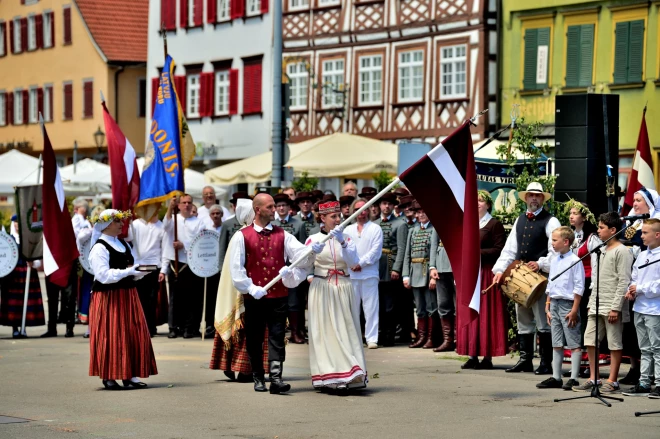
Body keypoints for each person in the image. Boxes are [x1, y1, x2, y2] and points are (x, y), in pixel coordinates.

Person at [229, 193, 321, 394]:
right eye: (270, 207)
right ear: (258, 209)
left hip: (278, 295)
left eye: (273, 206)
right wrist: (251, 288)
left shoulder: (283, 234)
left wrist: (312, 250)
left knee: (278, 336)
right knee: (255, 337)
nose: (274, 210)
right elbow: (236, 269)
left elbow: (301, 256)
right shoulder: (242, 235)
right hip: (255, 297)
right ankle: (258, 376)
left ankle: (276, 379)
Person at [493, 182, 561, 374]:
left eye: (537, 196)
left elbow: (556, 252)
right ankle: (525, 360)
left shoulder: (551, 221)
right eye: (530, 195)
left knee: (542, 320)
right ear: (525, 198)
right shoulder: (520, 220)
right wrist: (500, 270)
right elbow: (509, 250)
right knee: (523, 319)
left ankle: (546, 363)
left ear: (542, 199)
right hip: (520, 278)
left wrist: (541, 263)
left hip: (540, 278)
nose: (533, 198)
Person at [88, 209, 157, 390]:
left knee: (132, 333)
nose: (121, 225)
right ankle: (109, 375)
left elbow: (129, 271)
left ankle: (130, 375)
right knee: (111, 335)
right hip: (108, 297)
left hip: (127, 295)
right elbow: (103, 275)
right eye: (117, 221)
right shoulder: (99, 247)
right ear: (107, 224)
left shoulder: (124, 245)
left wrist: (139, 273)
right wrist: (128, 272)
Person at [303, 201, 367, 392]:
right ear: (322, 218)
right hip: (322, 287)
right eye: (333, 216)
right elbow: (304, 264)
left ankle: (352, 373)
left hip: (344, 286)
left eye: (339, 215)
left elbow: (353, 261)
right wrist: (309, 253)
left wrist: (341, 242)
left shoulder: (346, 238)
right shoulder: (313, 239)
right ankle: (329, 375)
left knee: (346, 329)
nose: (338, 220)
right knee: (325, 331)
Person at [572, 212, 632, 393]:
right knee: (590, 339)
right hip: (597, 302)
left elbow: (623, 281)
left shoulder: (622, 251)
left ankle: (613, 379)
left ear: (613, 230)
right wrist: (591, 301)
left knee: (614, 342)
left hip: (612, 304)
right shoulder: (600, 250)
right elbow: (596, 278)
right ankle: (594, 377)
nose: (598, 231)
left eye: (601, 228)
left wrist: (616, 307)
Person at [210, 199, 269, 383]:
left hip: (256, 289)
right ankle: (241, 368)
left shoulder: (254, 234)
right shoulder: (242, 236)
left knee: (254, 330)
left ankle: (245, 368)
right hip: (245, 290)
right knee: (245, 329)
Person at [458, 191, 507, 368]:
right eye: (475, 200)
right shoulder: (468, 223)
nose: (477, 203)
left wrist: (476, 254)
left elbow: (499, 249)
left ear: (488, 205)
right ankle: (472, 355)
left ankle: (487, 356)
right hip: (470, 274)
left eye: (481, 201)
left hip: (486, 272)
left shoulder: (494, 224)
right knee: (470, 309)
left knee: (486, 312)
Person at [536, 227, 585, 390]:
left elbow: (579, 286)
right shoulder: (555, 260)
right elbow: (551, 283)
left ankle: (574, 378)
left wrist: (574, 310)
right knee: (556, 342)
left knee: (573, 341)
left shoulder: (574, 260)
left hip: (568, 304)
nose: (552, 243)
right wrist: (547, 305)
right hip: (555, 303)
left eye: (555, 240)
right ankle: (556, 376)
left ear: (566, 242)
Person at [623, 219, 660, 398]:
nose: (642, 236)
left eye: (645, 233)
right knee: (644, 348)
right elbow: (635, 276)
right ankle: (644, 382)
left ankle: (659, 383)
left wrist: (641, 288)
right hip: (640, 307)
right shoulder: (643, 255)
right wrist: (631, 289)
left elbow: (659, 285)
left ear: (657, 235)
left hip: (655, 309)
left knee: (657, 348)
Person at [163, 194, 207, 339]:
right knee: (175, 298)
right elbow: (166, 225)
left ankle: (189, 327)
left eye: (189, 202)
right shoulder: (175, 220)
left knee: (191, 298)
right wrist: (170, 207)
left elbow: (201, 242)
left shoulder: (199, 222)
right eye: (184, 203)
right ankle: (174, 327)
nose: (187, 205)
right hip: (175, 263)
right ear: (179, 205)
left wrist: (184, 245)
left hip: (191, 263)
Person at [345, 198, 383, 349]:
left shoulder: (375, 228)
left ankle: (372, 338)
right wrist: (352, 264)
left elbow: (376, 251)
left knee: (371, 307)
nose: (361, 212)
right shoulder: (348, 229)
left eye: (364, 208)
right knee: (353, 308)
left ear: (368, 210)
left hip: (369, 273)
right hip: (351, 274)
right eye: (357, 210)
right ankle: (354, 337)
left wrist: (361, 263)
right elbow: (344, 249)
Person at [272, 193, 307, 344]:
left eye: (284, 205)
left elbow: (303, 249)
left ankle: (295, 332)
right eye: (278, 205)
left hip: (292, 269)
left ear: (289, 207)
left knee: (294, 302)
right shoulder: (271, 224)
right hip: (274, 268)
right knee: (276, 302)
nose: (281, 208)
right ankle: (277, 333)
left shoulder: (298, 224)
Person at [374, 192, 408, 346]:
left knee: (390, 305)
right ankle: (380, 333)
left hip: (390, 265)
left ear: (394, 206)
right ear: (379, 205)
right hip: (375, 266)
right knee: (378, 304)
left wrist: (396, 268)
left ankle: (389, 335)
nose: (386, 207)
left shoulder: (400, 224)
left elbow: (401, 248)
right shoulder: (374, 224)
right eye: (383, 203)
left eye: (389, 204)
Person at [403, 202, 438, 349]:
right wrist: (405, 274)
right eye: (419, 212)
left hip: (427, 270)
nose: (421, 214)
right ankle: (421, 336)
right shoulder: (413, 230)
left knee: (431, 306)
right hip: (414, 272)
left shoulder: (433, 229)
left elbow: (433, 253)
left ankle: (432, 337)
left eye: (424, 211)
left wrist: (432, 275)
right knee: (420, 308)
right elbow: (407, 254)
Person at [0, 223, 45, 338]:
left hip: (28, 273)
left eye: (19, 223)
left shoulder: (30, 239)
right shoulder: (7, 239)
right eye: (15, 223)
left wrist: (33, 263)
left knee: (26, 302)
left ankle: (23, 328)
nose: (17, 226)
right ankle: (14, 328)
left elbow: (39, 257)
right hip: (12, 275)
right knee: (13, 304)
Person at [128, 214, 167, 337]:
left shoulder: (161, 226)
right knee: (139, 298)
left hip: (154, 266)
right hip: (138, 265)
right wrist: (128, 223)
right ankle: (139, 326)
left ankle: (150, 327)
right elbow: (128, 237)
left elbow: (165, 249)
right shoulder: (135, 224)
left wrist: (163, 270)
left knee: (152, 298)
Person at [429, 211, 456, 352]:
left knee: (458, 305)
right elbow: (433, 244)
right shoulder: (439, 219)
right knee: (443, 304)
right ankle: (448, 340)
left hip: (456, 266)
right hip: (440, 266)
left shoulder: (462, 216)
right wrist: (432, 266)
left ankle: (459, 338)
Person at [218, 192, 252, 269]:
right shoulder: (227, 224)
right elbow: (222, 248)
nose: (237, 208)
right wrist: (221, 268)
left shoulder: (253, 223)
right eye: (235, 205)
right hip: (232, 263)